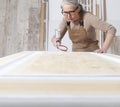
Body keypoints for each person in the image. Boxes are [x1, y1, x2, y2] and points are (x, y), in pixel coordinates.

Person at [51, 0, 116, 53]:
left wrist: (104, 48)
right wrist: (56, 41)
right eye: (65, 13)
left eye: (71, 12)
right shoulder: (66, 19)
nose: (68, 16)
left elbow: (111, 29)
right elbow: (56, 36)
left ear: (78, 9)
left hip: (92, 54)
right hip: (76, 55)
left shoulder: (88, 17)